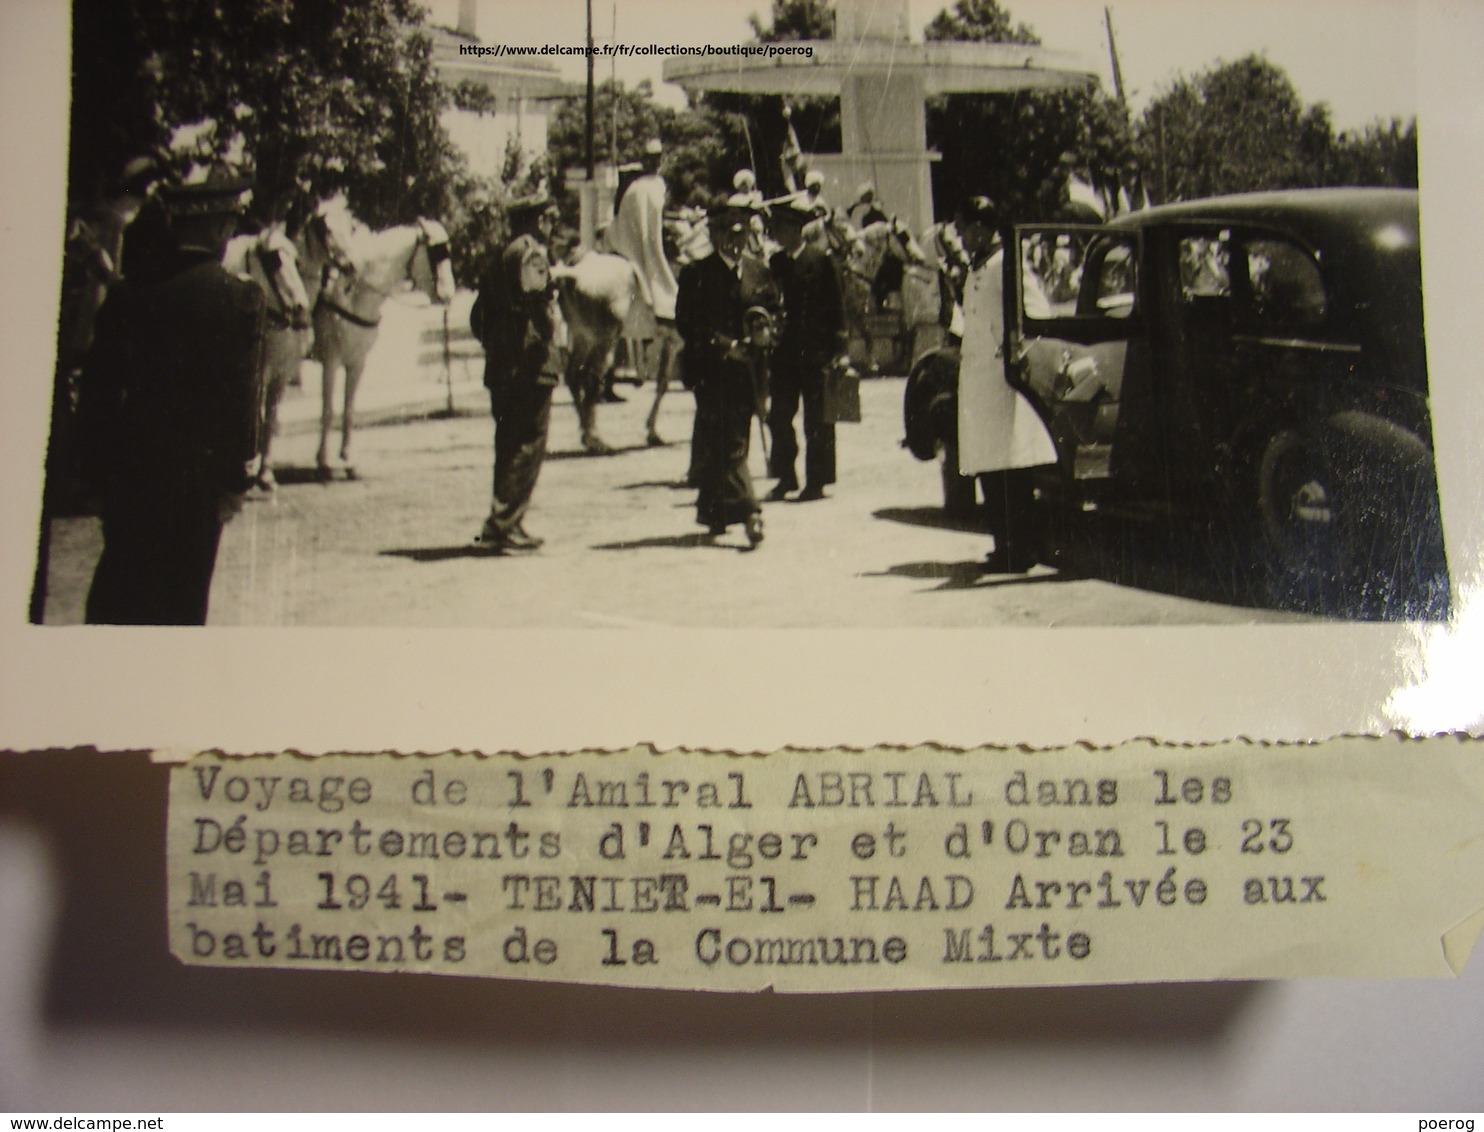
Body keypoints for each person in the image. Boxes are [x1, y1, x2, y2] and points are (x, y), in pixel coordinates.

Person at [76, 161, 266, 625]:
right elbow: (242, 404)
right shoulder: (238, 299)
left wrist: (93, 481)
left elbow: (96, 398)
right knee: (180, 609)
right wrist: (237, 481)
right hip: (195, 493)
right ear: (223, 226)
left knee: (117, 601)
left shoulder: (126, 296)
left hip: (129, 484)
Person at [954, 195, 1058, 574]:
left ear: (980, 228)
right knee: (988, 466)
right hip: (978, 384)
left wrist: (1011, 355)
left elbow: (1037, 312)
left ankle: (1021, 549)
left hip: (1001, 385)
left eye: (963, 228)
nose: (960, 237)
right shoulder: (977, 267)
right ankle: (1003, 545)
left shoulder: (1005, 265)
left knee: (1011, 470)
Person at [470, 194, 566, 553]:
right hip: (529, 365)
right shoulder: (531, 254)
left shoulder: (502, 256)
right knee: (527, 444)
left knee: (509, 444)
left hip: (504, 366)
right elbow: (542, 306)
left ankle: (503, 522)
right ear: (537, 219)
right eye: (550, 217)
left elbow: (478, 317)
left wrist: (496, 346)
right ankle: (503, 526)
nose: (552, 224)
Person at [675, 201, 768, 548]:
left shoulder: (759, 272)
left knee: (728, 441)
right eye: (727, 234)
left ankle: (714, 511)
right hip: (712, 372)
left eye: (741, 234)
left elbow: (773, 311)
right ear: (713, 236)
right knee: (729, 444)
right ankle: (750, 511)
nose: (735, 241)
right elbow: (688, 323)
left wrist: (765, 334)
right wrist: (724, 345)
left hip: (749, 373)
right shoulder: (696, 274)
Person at [765, 195, 847, 502]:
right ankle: (785, 477)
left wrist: (840, 350)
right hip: (784, 355)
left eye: (783, 228)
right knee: (779, 417)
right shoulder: (776, 263)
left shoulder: (821, 259)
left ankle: (817, 480)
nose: (778, 234)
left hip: (816, 353)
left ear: (797, 229)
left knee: (818, 419)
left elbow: (837, 306)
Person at [609, 137, 682, 446]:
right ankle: (661, 312)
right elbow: (652, 231)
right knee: (667, 288)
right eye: (652, 157)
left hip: (629, 242)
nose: (655, 161)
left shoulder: (635, 186)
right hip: (644, 249)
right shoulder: (653, 186)